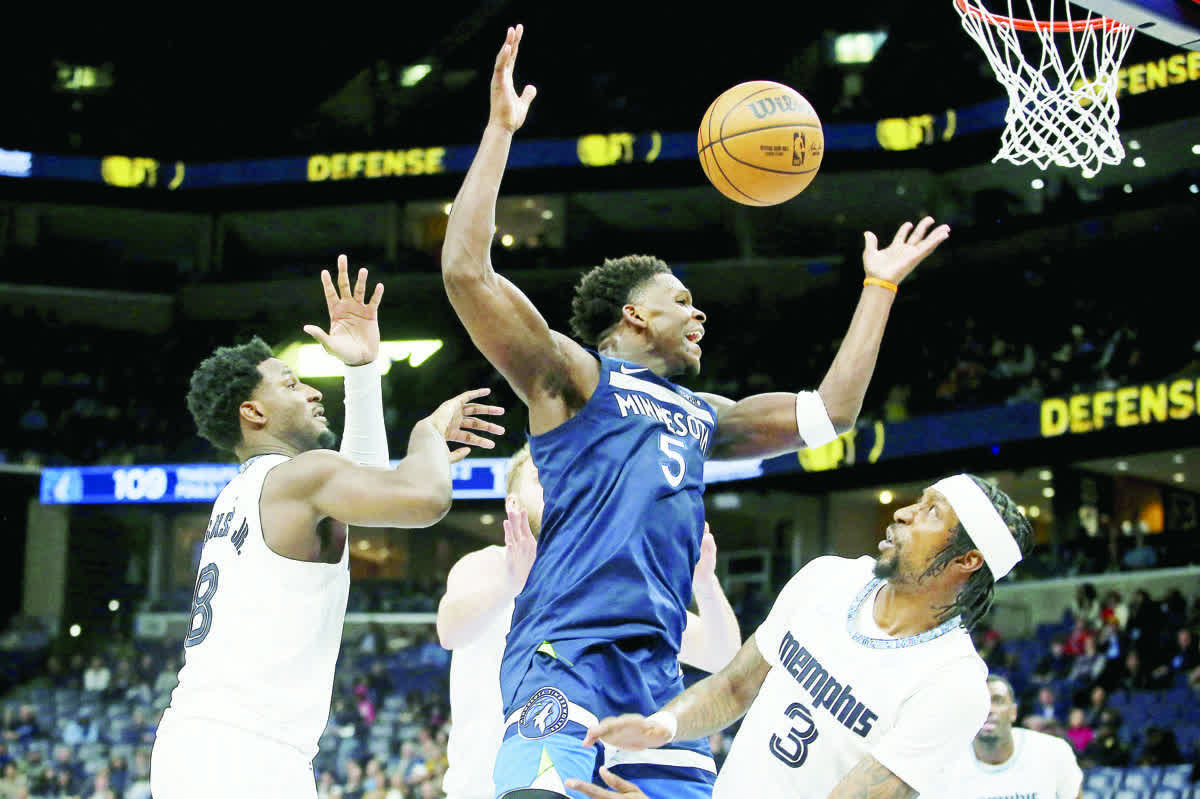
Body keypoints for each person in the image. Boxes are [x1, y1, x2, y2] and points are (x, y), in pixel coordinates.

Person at [442, 24, 952, 799]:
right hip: (564, 652)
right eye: (681, 300)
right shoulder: (574, 380)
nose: (699, 313)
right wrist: (498, 131)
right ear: (633, 318)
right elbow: (467, 272)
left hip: (657, 676)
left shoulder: (706, 413)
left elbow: (831, 415)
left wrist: (878, 289)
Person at [150, 256, 505, 799]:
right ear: (254, 413)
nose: (313, 391)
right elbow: (425, 499)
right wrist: (427, 433)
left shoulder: (249, 489)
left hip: (213, 746)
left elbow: (358, 486)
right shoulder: (301, 477)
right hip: (245, 754)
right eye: (292, 384)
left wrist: (363, 372)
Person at [574, 474, 1032, 799]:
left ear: (967, 561)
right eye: (920, 499)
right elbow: (735, 687)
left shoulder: (953, 683)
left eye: (932, 511)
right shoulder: (826, 578)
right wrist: (664, 726)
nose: (904, 512)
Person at [437, 446, 741, 799]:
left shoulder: (618, 585)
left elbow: (721, 657)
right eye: (542, 475)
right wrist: (511, 584)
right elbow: (450, 630)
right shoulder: (488, 565)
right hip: (480, 788)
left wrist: (705, 584)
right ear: (513, 504)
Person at [923, 675, 1083, 799]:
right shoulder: (943, 765)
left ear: (1013, 712)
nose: (987, 709)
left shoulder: (1053, 752)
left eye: (997, 701)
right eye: (978, 701)